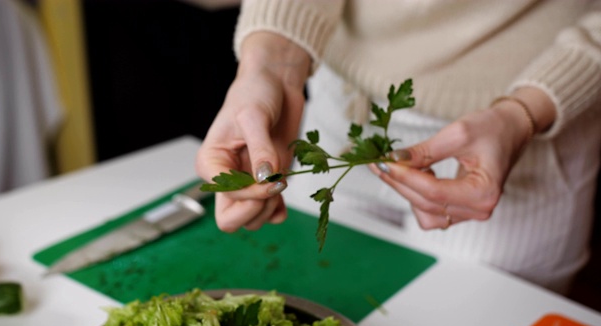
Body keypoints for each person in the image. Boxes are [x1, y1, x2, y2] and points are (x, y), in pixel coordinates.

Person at [195, 0, 601, 294]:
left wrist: (522, 114)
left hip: (518, 131)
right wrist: (270, 68)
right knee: (322, 299)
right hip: (338, 106)